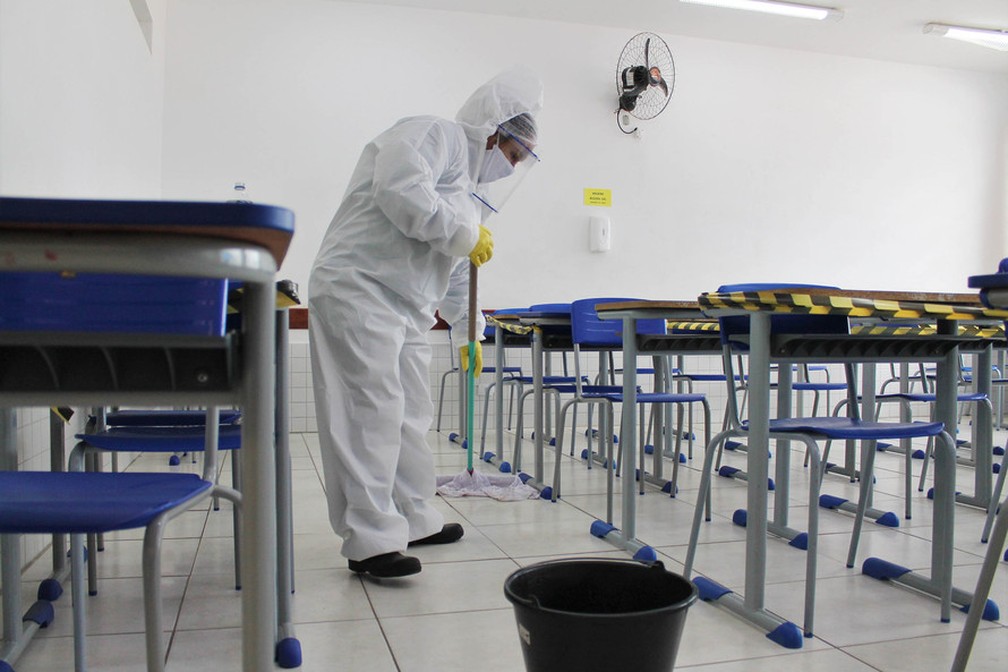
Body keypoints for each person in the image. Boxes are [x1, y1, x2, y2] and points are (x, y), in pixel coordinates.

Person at [309, 67, 542, 578]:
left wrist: (468, 332)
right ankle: (369, 540)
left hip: (408, 307)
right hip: (359, 287)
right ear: (494, 130)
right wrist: (463, 235)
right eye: (512, 154)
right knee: (368, 414)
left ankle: (415, 517)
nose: (510, 166)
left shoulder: (467, 194)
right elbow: (400, 189)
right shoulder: (434, 134)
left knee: (411, 413)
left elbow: (457, 275)